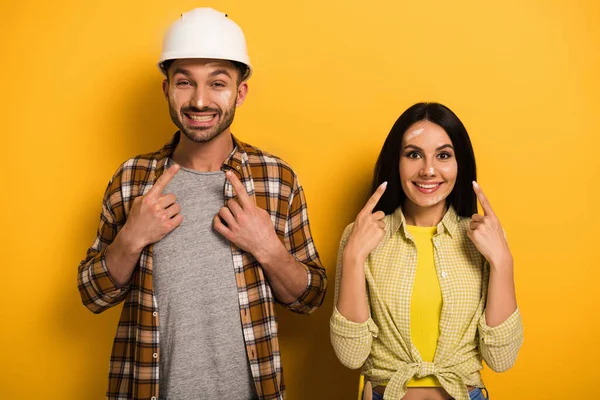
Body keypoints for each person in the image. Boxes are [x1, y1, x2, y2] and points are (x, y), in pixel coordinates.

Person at [77, 8, 327, 400]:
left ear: (239, 92)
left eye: (217, 83)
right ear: (166, 90)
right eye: (184, 82)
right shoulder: (132, 179)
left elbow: (310, 299)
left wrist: (267, 247)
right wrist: (130, 239)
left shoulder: (277, 180)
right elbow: (92, 294)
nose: (199, 100)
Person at [330, 102, 523, 400]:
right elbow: (351, 355)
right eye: (414, 154)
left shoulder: (486, 239)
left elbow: (501, 358)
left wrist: (502, 261)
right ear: (397, 161)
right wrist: (354, 256)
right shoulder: (359, 237)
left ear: (460, 164)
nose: (428, 170)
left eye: (443, 155)